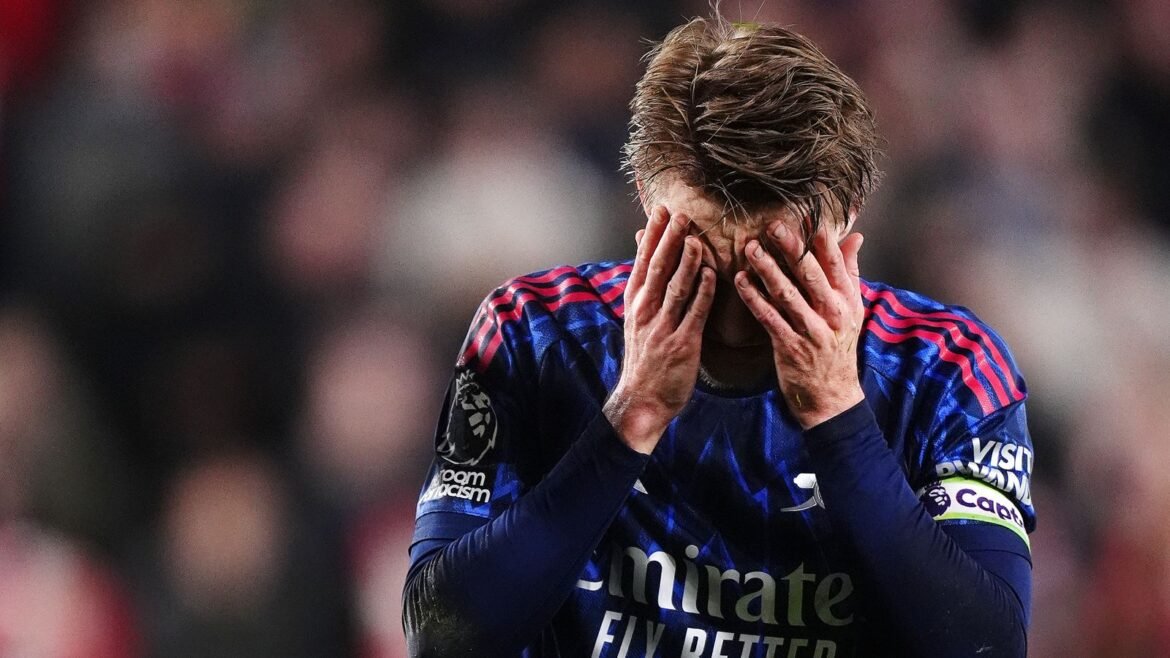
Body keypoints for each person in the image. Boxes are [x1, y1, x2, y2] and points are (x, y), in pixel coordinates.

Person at [403, 16, 1033, 658]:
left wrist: (839, 413)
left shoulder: (945, 368)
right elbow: (442, 635)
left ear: (849, 214)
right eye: (696, 256)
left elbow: (986, 648)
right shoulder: (534, 334)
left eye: (772, 266)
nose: (732, 320)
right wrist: (631, 417)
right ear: (646, 198)